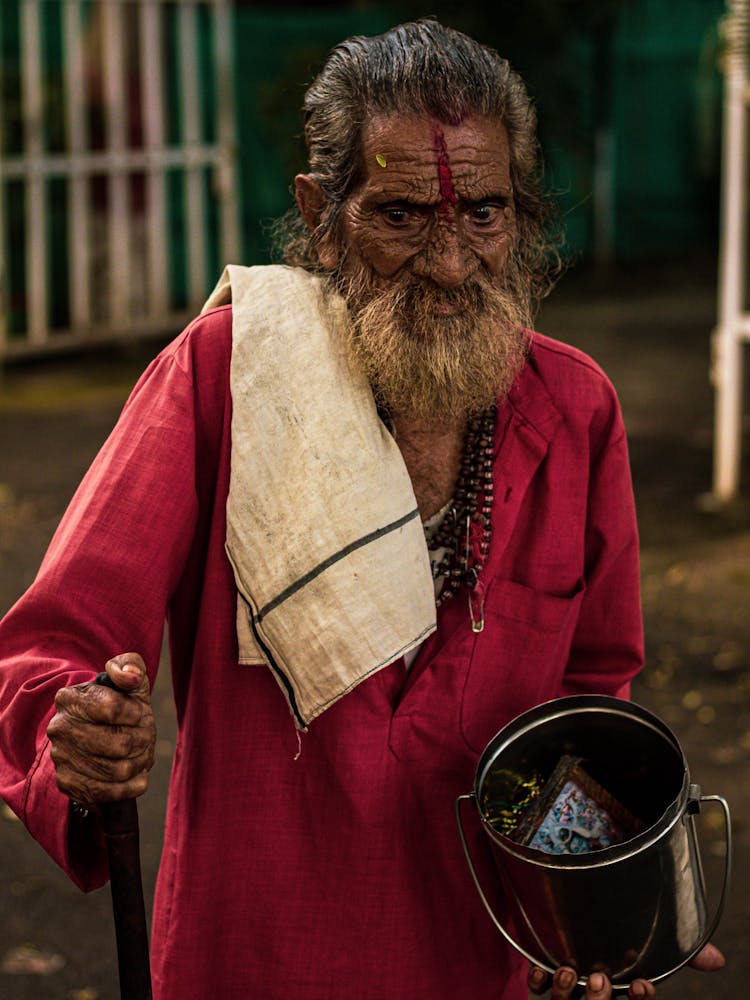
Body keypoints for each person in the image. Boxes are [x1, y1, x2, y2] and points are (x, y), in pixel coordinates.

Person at [0, 19, 724, 1000]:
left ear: (520, 213)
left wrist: (602, 910)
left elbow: (592, 703)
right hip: (249, 954)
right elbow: (48, 649)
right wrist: (74, 729)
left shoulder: (576, 406)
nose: (450, 262)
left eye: (482, 212)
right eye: (400, 214)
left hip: (484, 954)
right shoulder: (222, 378)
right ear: (320, 212)